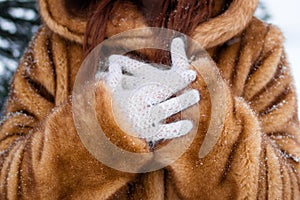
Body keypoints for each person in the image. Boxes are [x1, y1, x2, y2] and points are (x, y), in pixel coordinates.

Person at [0, 0, 299, 199]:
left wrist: (201, 118)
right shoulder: (54, 47)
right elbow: (9, 185)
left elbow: (287, 189)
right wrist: (101, 129)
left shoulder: (255, 46)